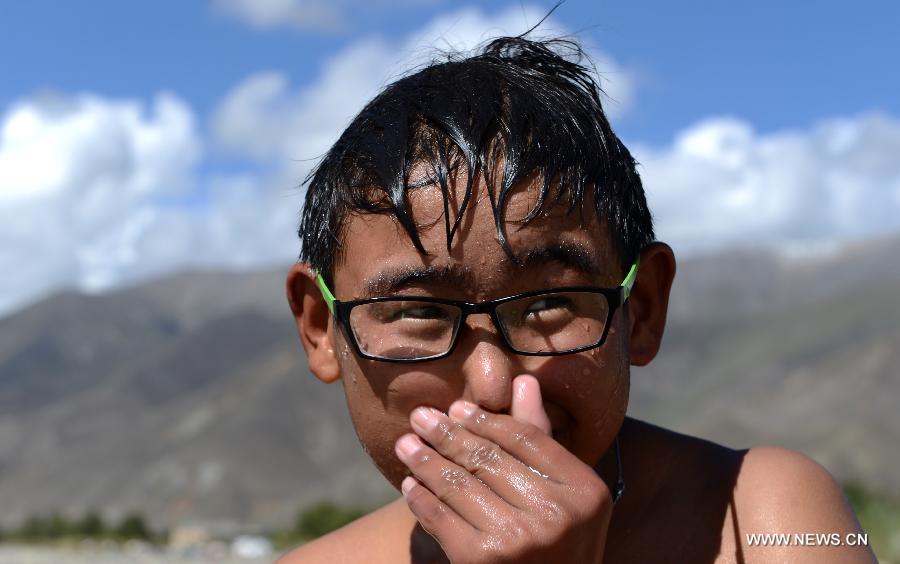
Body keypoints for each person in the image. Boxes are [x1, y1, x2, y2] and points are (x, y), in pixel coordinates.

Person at [281, 36, 874, 563]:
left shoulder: (763, 521)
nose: (491, 385)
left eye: (548, 304)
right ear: (320, 326)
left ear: (640, 308)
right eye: (419, 311)